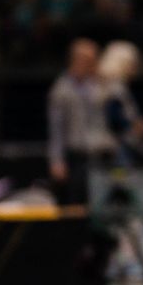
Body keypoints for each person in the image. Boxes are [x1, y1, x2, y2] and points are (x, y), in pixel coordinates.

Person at [46, 38, 111, 203]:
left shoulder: (99, 86)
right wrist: (57, 160)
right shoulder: (61, 89)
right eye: (88, 60)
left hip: (100, 156)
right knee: (76, 207)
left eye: (94, 59)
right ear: (75, 60)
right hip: (76, 158)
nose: (92, 64)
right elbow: (56, 129)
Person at [97, 41, 143, 168]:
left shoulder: (111, 85)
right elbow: (113, 118)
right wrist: (134, 125)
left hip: (116, 146)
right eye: (132, 63)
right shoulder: (115, 87)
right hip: (117, 147)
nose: (135, 67)